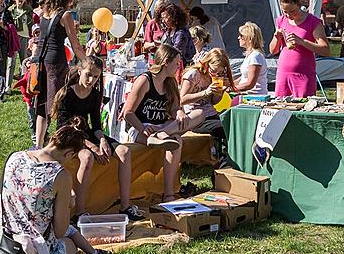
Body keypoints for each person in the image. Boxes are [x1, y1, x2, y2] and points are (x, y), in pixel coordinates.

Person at [0, 125, 112, 254]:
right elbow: (60, 230)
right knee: (70, 246)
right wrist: (69, 203)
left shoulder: (13, 157)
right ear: (69, 154)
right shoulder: (60, 175)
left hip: (2, 246)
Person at [51, 56, 144, 220]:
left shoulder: (94, 94)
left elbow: (96, 125)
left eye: (95, 77)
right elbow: (63, 127)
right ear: (80, 71)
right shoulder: (67, 93)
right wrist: (92, 147)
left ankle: (125, 206)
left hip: (87, 134)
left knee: (124, 151)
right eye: (88, 75)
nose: (91, 80)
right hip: (69, 136)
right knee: (87, 157)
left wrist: (102, 141)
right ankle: (79, 212)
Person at [120, 44, 184, 202]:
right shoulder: (145, 80)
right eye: (176, 63)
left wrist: (180, 112)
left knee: (199, 115)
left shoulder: (171, 83)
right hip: (141, 128)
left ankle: (169, 193)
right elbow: (128, 113)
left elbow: (175, 108)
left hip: (163, 127)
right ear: (166, 62)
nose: (178, 67)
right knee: (177, 141)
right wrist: (143, 128)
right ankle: (168, 194)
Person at [35, 0, 86, 148]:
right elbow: (75, 44)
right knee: (57, 104)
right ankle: (55, 145)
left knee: (42, 105)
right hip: (56, 63)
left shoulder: (45, 13)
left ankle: (39, 143)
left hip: (41, 61)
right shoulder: (65, 16)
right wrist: (87, 62)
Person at [269, 0, 329, 98]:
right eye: (285, 12)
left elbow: (325, 50)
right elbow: (273, 51)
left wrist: (301, 41)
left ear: (299, 5)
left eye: (292, 11)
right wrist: (277, 38)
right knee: (280, 108)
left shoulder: (313, 21)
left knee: (303, 108)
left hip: (303, 74)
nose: (289, 15)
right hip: (283, 73)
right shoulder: (281, 21)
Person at [178, 48, 235, 148]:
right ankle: (224, 158)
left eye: (220, 72)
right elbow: (182, 99)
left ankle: (228, 157)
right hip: (195, 119)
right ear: (206, 63)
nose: (216, 74)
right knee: (226, 128)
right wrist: (205, 92)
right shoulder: (194, 74)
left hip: (211, 115)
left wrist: (220, 92)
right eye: (213, 71)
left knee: (236, 125)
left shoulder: (215, 77)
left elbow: (214, 102)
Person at [157, 1, 195, 65]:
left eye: (165, 18)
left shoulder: (181, 33)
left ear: (173, 17)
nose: (163, 21)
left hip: (181, 66)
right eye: (162, 18)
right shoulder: (168, 30)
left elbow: (176, 53)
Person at [235, 22, 267, 95]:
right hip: (246, 95)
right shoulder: (250, 55)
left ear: (249, 38)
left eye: (241, 35)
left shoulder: (256, 56)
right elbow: (244, 77)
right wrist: (229, 84)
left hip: (255, 97)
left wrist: (231, 89)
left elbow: (250, 84)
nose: (238, 38)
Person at [8, 0, 33, 76]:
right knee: (11, 61)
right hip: (13, 37)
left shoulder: (28, 10)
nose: (21, 0)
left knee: (24, 61)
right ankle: (7, 85)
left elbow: (31, 24)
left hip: (24, 37)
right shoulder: (10, 10)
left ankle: (24, 82)